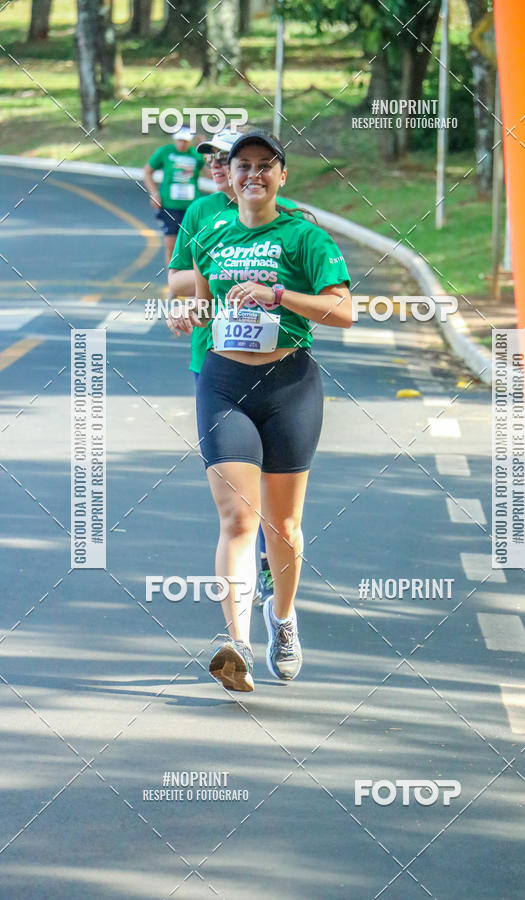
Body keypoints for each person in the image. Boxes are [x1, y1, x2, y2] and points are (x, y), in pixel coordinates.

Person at [168, 130, 352, 692]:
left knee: (283, 525)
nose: (251, 175)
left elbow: (343, 312)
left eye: (263, 166)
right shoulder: (210, 228)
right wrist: (186, 315)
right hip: (223, 382)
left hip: (289, 383)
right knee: (238, 518)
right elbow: (200, 297)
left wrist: (278, 296)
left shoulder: (304, 236)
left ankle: (283, 619)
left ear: (281, 174)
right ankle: (237, 644)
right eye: (241, 165)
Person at [167, 127, 298, 609]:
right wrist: (199, 295)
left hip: (278, 369)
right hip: (214, 362)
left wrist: (268, 285)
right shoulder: (202, 214)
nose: (217, 167)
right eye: (214, 160)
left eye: (227, 158)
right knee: (238, 497)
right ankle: (248, 566)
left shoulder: (280, 215)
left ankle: (271, 566)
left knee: (275, 490)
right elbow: (178, 279)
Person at [143, 127, 204, 271]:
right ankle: (173, 284)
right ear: (175, 139)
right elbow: (147, 172)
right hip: (169, 206)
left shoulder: (196, 155)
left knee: (192, 246)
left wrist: (207, 152)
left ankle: (190, 284)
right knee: (172, 245)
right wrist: (154, 193)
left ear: (190, 141)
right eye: (179, 140)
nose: (182, 144)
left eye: (186, 141)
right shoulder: (165, 152)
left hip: (191, 207)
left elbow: (211, 174)